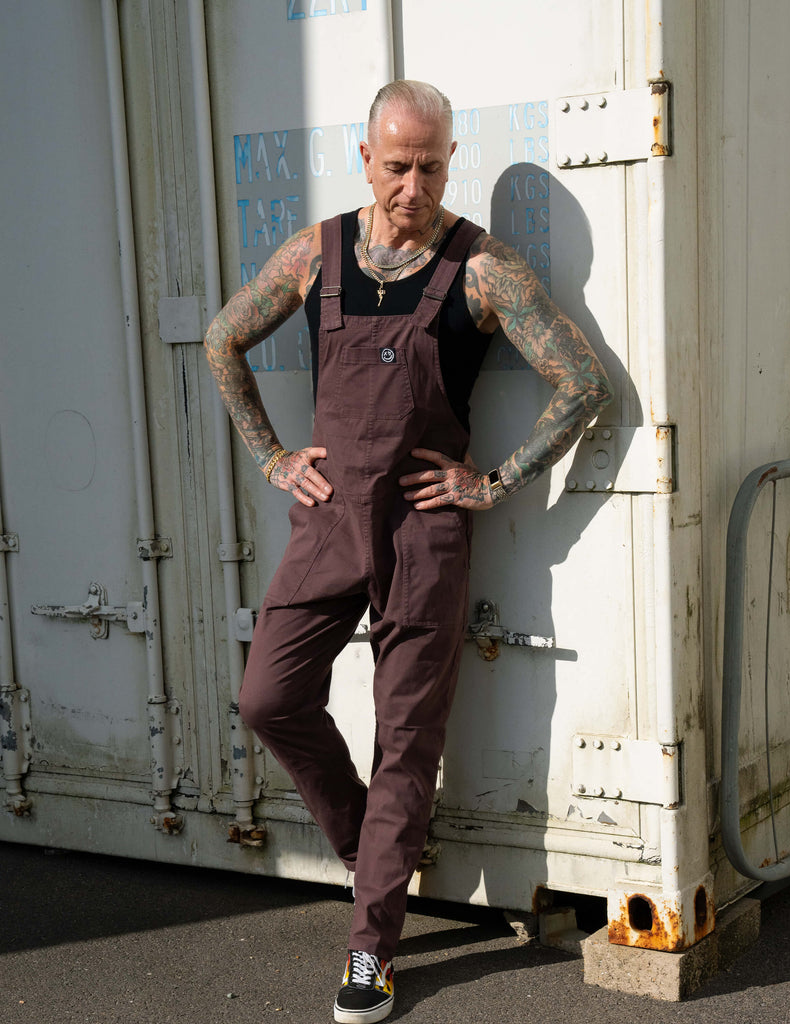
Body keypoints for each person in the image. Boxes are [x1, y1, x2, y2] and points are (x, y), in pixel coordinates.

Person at [204, 79, 612, 1024]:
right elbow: (222, 339)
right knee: (267, 697)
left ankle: (371, 950)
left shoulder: (483, 268)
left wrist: (494, 483)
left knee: (406, 740)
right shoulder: (315, 255)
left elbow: (582, 381)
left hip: (423, 534)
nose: (412, 187)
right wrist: (271, 456)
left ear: (449, 159)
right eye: (396, 167)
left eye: (430, 167)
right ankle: (371, 849)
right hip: (328, 521)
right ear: (365, 159)